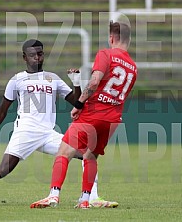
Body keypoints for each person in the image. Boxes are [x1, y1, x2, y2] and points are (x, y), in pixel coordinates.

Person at [0, 39, 112, 207]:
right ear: (24, 57)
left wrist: (77, 82)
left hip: (48, 134)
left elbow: (78, 103)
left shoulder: (53, 79)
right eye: (32, 55)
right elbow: (1, 111)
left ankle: (91, 197)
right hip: (25, 132)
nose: (37, 57)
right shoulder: (17, 80)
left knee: (87, 154)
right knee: (3, 170)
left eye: (40, 54)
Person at [30, 21, 137, 209]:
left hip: (93, 113)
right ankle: (85, 200)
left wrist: (79, 104)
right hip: (113, 119)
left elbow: (95, 81)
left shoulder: (106, 54)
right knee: (90, 156)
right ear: (128, 40)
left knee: (64, 152)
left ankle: (53, 196)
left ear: (111, 38)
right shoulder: (133, 67)